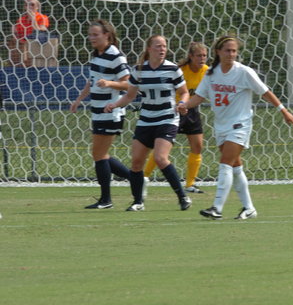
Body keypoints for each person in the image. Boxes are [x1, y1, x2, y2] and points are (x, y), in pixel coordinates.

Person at [178, 35, 293, 220]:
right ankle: (249, 208)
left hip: (240, 124)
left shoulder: (244, 72)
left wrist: (284, 111)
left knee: (225, 162)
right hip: (221, 126)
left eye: (234, 51)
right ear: (218, 52)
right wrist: (185, 105)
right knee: (235, 166)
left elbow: (265, 92)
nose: (231, 54)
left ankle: (217, 208)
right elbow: (199, 97)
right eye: (228, 50)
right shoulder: (211, 74)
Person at [105, 34, 191, 212]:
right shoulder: (139, 70)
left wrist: (183, 103)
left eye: (164, 46)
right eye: (158, 46)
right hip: (146, 120)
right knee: (136, 163)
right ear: (149, 49)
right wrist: (115, 104)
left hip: (167, 118)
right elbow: (130, 95)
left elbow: (184, 92)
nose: (162, 49)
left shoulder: (172, 69)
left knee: (160, 158)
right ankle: (138, 202)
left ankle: (183, 196)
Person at [70, 19, 131, 209]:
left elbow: (128, 84)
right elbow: (92, 81)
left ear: (107, 35)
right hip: (97, 110)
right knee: (99, 154)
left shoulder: (116, 56)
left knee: (99, 154)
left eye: (95, 34)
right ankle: (136, 179)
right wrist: (79, 99)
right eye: (90, 35)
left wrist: (110, 83)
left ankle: (106, 200)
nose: (91, 38)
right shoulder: (97, 56)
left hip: (111, 110)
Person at [143, 42, 209, 194]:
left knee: (197, 146)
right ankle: (143, 176)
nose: (202, 58)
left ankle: (190, 184)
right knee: (161, 150)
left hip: (191, 110)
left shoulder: (207, 71)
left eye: (204, 55)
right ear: (190, 56)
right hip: (174, 110)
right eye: (198, 55)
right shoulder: (179, 70)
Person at [8, 0, 50, 67]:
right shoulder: (20, 20)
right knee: (12, 43)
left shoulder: (43, 18)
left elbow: (41, 33)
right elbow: (17, 38)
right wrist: (14, 33)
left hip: (35, 49)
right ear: (24, 7)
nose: (29, 7)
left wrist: (33, 19)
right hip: (21, 50)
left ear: (37, 6)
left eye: (32, 4)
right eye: (26, 5)